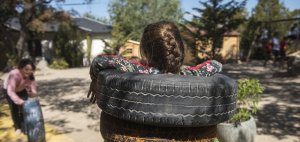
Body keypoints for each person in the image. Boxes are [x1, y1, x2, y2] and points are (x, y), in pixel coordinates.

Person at [88, 21, 222, 103]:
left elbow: (100, 61)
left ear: (145, 50)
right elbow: (216, 65)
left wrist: (95, 82)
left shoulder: (138, 70)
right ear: (180, 48)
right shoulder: (191, 75)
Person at [2, 59, 37, 134]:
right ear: (21, 68)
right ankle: (17, 127)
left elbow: (33, 88)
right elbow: (10, 91)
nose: (29, 72)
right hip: (9, 89)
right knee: (14, 108)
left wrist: (32, 93)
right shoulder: (14, 74)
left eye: (31, 70)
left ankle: (24, 124)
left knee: (24, 108)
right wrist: (20, 101)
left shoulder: (30, 76)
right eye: (26, 69)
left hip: (21, 89)